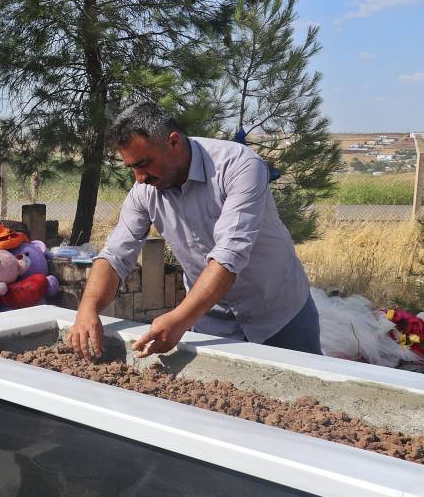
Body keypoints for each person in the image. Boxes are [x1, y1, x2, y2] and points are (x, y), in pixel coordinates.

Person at [67, 102, 320, 359]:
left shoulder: (238, 166)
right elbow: (115, 255)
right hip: (213, 323)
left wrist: (179, 319)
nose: (139, 178)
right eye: (132, 167)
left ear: (174, 143)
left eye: (144, 164)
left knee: (306, 396)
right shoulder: (144, 191)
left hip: (279, 314)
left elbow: (229, 255)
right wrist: (88, 308)